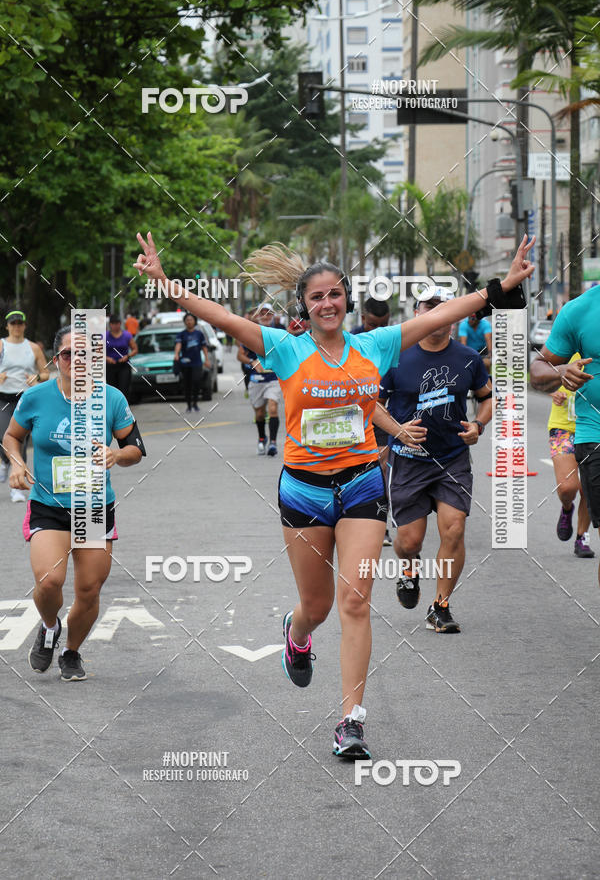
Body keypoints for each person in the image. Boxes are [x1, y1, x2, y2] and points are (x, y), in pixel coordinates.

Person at [134, 230, 534, 758]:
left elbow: (439, 317)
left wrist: (498, 288)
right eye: (316, 296)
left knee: (355, 599)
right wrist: (168, 284)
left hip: (363, 484)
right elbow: (224, 319)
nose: (327, 303)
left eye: (335, 294)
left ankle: (352, 721)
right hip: (304, 492)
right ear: (303, 305)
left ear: (347, 301)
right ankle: (296, 636)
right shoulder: (284, 347)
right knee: (316, 606)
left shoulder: (377, 344)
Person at [2, 325, 145, 681]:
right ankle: (50, 627)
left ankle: (71, 652)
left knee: (88, 588)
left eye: (88, 355)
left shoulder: (112, 398)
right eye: (69, 354)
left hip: (94, 507)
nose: (78, 361)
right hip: (49, 507)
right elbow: (11, 436)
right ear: (56, 358)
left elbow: (136, 449)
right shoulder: (36, 398)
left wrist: (117, 455)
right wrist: (17, 465)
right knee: (49, 581)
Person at [377, 287, 492, 632]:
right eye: (429, 305)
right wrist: (397, 431)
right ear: (417, 312)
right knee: (409, 542)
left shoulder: (469, 358)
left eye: (444, 305)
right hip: (410, 460)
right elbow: (374, 405)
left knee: (454, 529)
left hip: (452, 458)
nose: (437, 311)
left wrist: (478, 424)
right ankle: (409, 570)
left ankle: (440, 606)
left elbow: (487, 399)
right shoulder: (395, 358)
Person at [531, 287, 600, 586]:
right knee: (569, 488)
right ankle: (570, 513)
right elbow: (537, 370)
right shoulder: (579, 311)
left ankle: (581, 533)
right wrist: (561, 373)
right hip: (589, 432)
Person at [352, 298, 393, 545]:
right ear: (363, 320)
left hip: (381, 417)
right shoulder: (349, 341)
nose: (378, 330)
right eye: (373, 325)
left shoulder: (392, 341)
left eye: (384, 324)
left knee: (380, 472)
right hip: (352, 417)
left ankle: (381, 526)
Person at [546, 353, 594, 557]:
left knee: (590, 489)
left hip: (594, 427)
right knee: (568, 487)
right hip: (563, 427)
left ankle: (582, 537)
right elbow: (541, 376)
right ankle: (567, 507)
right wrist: (554, 392)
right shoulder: (565, 348)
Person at [0, 310, 49, 503]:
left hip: (26, 399)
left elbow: (45, 374)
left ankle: (17, 488)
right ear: (7, 326)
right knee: (3, 434)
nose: (17, 327)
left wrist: (36, 377)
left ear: (25, 326)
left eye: (20, 323)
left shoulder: (33, 347)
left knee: (19, 440)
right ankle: (5, 462)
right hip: (3, 398)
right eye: (13, 324)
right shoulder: (1, 345)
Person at [236, 303, 282, 456]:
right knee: (260, 414)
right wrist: (252, 362)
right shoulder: (251, 332)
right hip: (256, 380)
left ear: (273, 316)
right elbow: (240, 355)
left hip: (273, 378)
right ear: (258, 316)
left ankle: (273, 443)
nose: (266, 316)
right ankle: (262, 438)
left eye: (269, 313)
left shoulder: (279, 332)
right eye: (262, 313)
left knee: (273, 408)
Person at [174, 312, 210, 413]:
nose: (189, 322)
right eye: (187, 320)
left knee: (196, 382)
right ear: (185, 322)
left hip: (197, 363)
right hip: (185, 363)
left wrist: (207, 359)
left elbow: (204, 347)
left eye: (191, 320)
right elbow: (178, 344)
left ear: (194, 321)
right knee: (187, 384)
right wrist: (176, 354)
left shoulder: (199, 334)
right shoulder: (181, 334)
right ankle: (189, 405)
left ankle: (195, 403)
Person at [105, 315, 138, 400]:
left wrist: (127, 356)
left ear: (120, 324)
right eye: (113, 324)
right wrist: (107, 358)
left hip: (123, 365)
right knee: (112, 389)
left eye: (117, 323)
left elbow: (135, 349)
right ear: (110, 325)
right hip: (110, 366)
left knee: (124, 388)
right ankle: (113, 408)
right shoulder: (104, 336)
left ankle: (123, 407)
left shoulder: (127, 335)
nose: (115, 326)